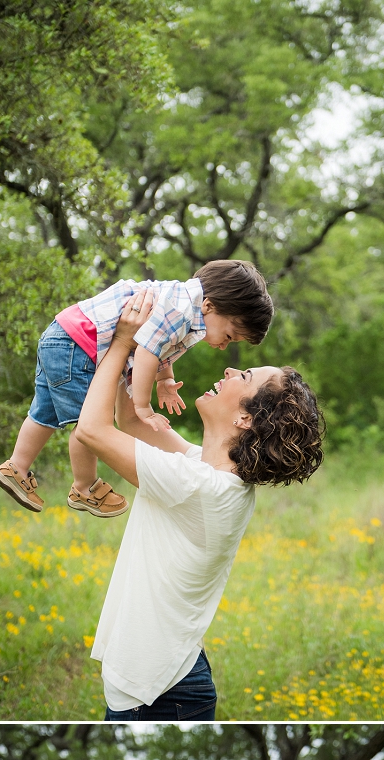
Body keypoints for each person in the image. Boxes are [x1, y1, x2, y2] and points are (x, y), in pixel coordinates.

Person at [71, 288, 325, 720]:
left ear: (245, 418)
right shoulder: (204, 471)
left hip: (161, 693)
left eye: (243, 375)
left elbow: (92, 429)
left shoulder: (202, 487)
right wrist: (140, 348)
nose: (229, 367)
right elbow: (130, 420)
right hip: (164, 682)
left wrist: (119, 344)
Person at [0, 260, 275, 518]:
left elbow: (160, 347)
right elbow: (148, 349)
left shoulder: (183, 305)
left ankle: (16, 466)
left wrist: (164, 380)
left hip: (62, 336)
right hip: (81, 345)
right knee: (85, 422)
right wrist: (142, 405)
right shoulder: (181, 310)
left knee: (45, 412)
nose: (224, 345)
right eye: (228, 336)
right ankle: (84, 487)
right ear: (210, 306)